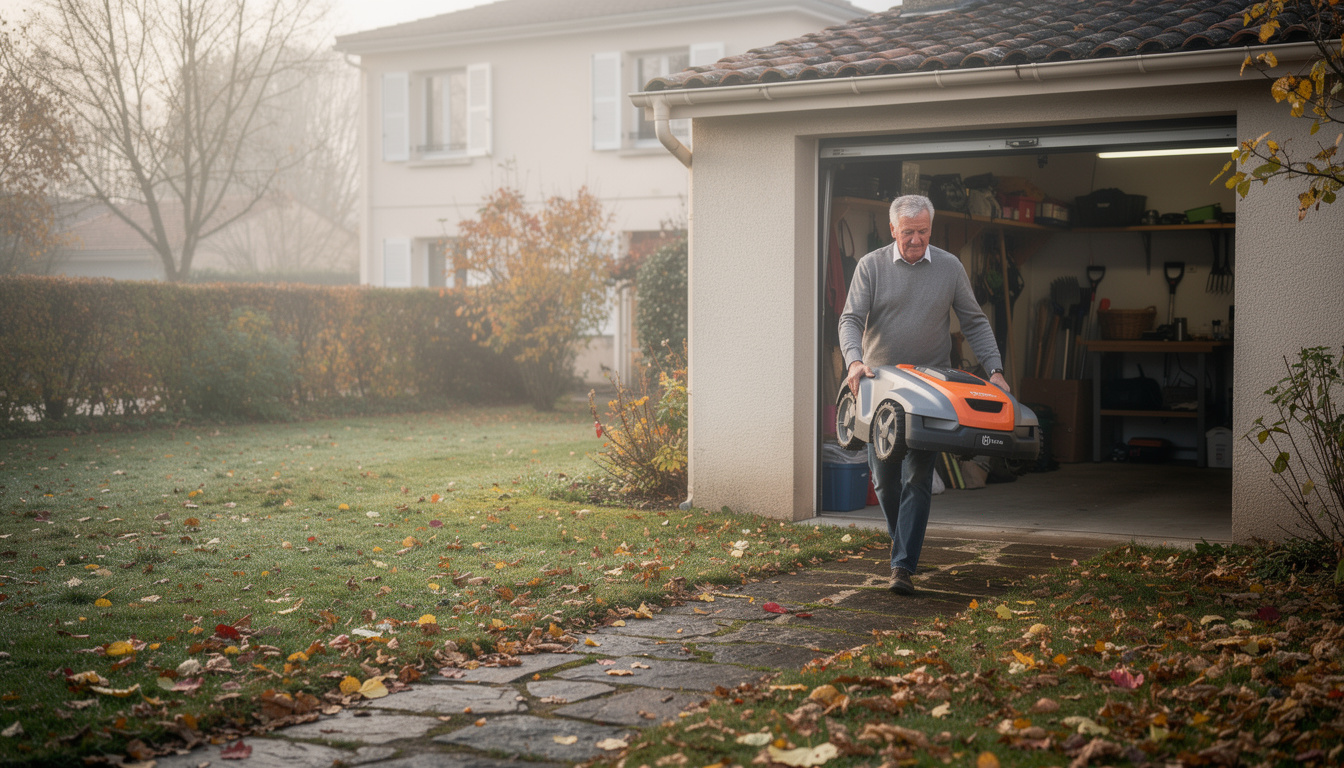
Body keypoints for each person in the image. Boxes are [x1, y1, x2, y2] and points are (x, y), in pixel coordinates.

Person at [838, 194, 1009, 596]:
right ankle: (904, 546)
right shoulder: (871, 266)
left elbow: (975, 322)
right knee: (883, 479)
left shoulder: (949, 267)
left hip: (932, 389)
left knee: (917, 475)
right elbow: (850, 318)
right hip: (881, 387)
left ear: (931, 229)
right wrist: (853, 362)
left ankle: (902, 565)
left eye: (923, 231)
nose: (916, 239)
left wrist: (996, 371)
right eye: (908, 232)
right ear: (892, 229)